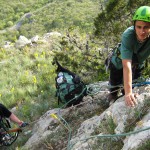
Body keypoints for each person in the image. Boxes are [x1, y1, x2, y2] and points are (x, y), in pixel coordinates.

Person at [107, 6, 150, 107]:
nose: (142, 31)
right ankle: (112, 98)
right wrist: (128, 93)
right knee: (114, 86)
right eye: (139, 27)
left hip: (137, 64)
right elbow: (127, 66)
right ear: (134, 25)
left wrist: (127, 91)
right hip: (118, 62)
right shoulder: (128, 35)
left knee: (129, 86)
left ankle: (123, 94)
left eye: (146, 27)